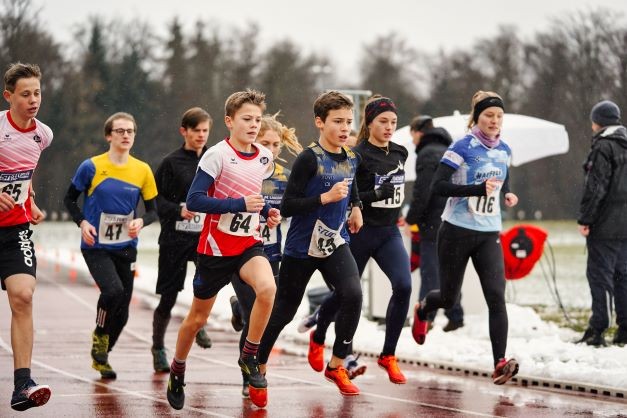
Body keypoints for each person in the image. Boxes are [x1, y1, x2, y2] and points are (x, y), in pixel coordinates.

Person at [165, 89, 280, 410]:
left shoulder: (264, 157)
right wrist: (238, 204)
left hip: (248, 244)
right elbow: (196, 200)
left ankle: (249, 356)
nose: (253, 125)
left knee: (268, 289)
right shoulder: (216, 155)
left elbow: (253, 196)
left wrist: (266, 211)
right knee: (196, 319)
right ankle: (177, 368)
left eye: (257, 120)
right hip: (215, 250)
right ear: (229, 121)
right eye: (247, 119)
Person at [257, 90, 364, 396]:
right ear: (320, 122)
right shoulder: (308, 158)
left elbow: (351, 184)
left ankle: (337, 365)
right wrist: (324, 198)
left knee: (353, 294)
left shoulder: (352, 157)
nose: (344, 128)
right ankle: (257, 366)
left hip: (334, 241)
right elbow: (287, 205)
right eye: (337, 121)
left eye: (348, 122)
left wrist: (356, 207)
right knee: (284, 311)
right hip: (302, 246)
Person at [411, 91, 520, 385]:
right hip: (456, 230)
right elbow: (438, 186)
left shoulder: (504, 149)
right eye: (489, 116)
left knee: (496, 297)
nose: (494, 121)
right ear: (477, 118)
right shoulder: (461, 147)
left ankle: (499, 362)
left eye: (499, 116)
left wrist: (507, 193)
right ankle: (423, 308)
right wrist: (476, 190)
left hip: (489, 232)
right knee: (449, 298)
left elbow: (503, 178)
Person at [312, 95, 411, 384]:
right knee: (345, 294)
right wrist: (374, 196)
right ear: (369, 122)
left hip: (389, 232)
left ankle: (388, 355)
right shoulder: (356, 155)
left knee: (404, 286)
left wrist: (398, 207)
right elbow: (350, 195)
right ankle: (319, 334)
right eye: (383, 121)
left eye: (393, 122)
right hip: (360, 232)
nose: (389, 127)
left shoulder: (401, 152)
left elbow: (397, 191)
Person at [63, 112, 158, 379]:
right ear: (109, 136)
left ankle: (103, 355)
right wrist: (82, 222)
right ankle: (99, 335)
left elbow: (153, 210)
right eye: (120, 131)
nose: (126, 135)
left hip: (126, 246)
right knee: (113, 291)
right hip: (96, 245)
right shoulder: (91, 166)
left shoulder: (142, 170)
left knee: (123, 313)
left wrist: (141, 221)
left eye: (130, 131)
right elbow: (69, 200)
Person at [228, 112, 303, 397]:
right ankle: (249, 375)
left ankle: (238, 308)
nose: (270, 150)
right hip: (242, 253)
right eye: (265, 143)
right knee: (253, 317)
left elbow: (293, 208)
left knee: (268, 316)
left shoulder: (285, 177)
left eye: (275, 145)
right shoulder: (241, 171)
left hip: (271, 255)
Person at [1, 62, 52, 411]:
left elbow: (24, 172)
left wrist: (29, 200)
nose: (33, 100)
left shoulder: (42, 135)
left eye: (37, 93)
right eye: (25, 94)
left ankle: (22, 385)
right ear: (9, 96)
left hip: (15, 228)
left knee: (23, 295)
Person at [150, 107, 213, 374]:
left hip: (203, 238)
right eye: (196, 130)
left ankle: (198, 325)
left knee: (206, 286)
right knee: (169, 297)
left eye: (205, 131)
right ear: (183, 131)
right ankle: (158, 348)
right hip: (174, 238)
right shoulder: (170, 162)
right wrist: (178, 210)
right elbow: (155, 199)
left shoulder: (213, 159)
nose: (201, 135)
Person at [406, 115, 465, 332]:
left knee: (430, 271)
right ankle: (455, 315)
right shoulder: (450, 149)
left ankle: (425, 317)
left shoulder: (426, 154)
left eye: (412, 136)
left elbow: (423, 191)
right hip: (453, 218)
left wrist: (411, 218)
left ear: (419, 132)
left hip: (433, 222)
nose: (413, 141)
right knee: (450, 271)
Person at [577, 100, 627, 347]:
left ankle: (598, 329)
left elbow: (596, 187)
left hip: (605, 224)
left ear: (597, 122)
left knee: (600, 276)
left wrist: (586, 218)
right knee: (623, 276)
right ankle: (625, 329)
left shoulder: (603, 146)